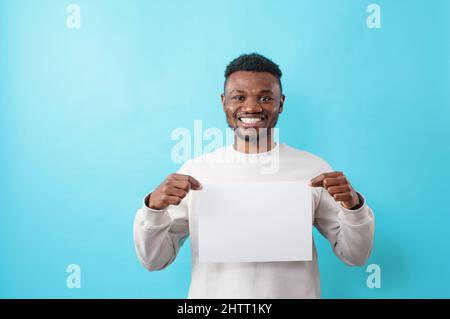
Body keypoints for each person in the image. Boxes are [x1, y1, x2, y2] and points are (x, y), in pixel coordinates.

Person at [133, 53, 375, 298]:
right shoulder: (195, 172)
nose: (251, 107)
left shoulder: (313, 169)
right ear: (223, 102)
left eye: (265, 98)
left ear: (280, 103)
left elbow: (355, 255)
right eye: (239, 97)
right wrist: (154, 209)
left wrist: (354, 207)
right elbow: (154, 260)